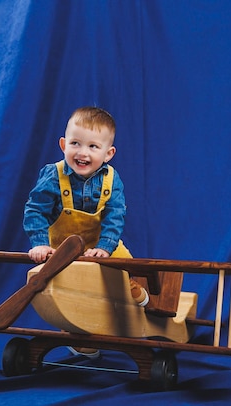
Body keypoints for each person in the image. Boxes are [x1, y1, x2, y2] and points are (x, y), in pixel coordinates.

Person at [22, 106, 148, 357]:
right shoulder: (53, 175)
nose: (82, 152)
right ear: (63, 144)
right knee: (70, 290)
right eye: (75, 143)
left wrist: (105, 247)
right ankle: (82, 336)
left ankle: (134, 291)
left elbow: (115, 216)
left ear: (108, 153)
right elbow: (36, 210)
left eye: (93, 146)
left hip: (100, 244)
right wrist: (40, 243)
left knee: (129, 266)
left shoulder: (112, 179)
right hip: (62, 248)